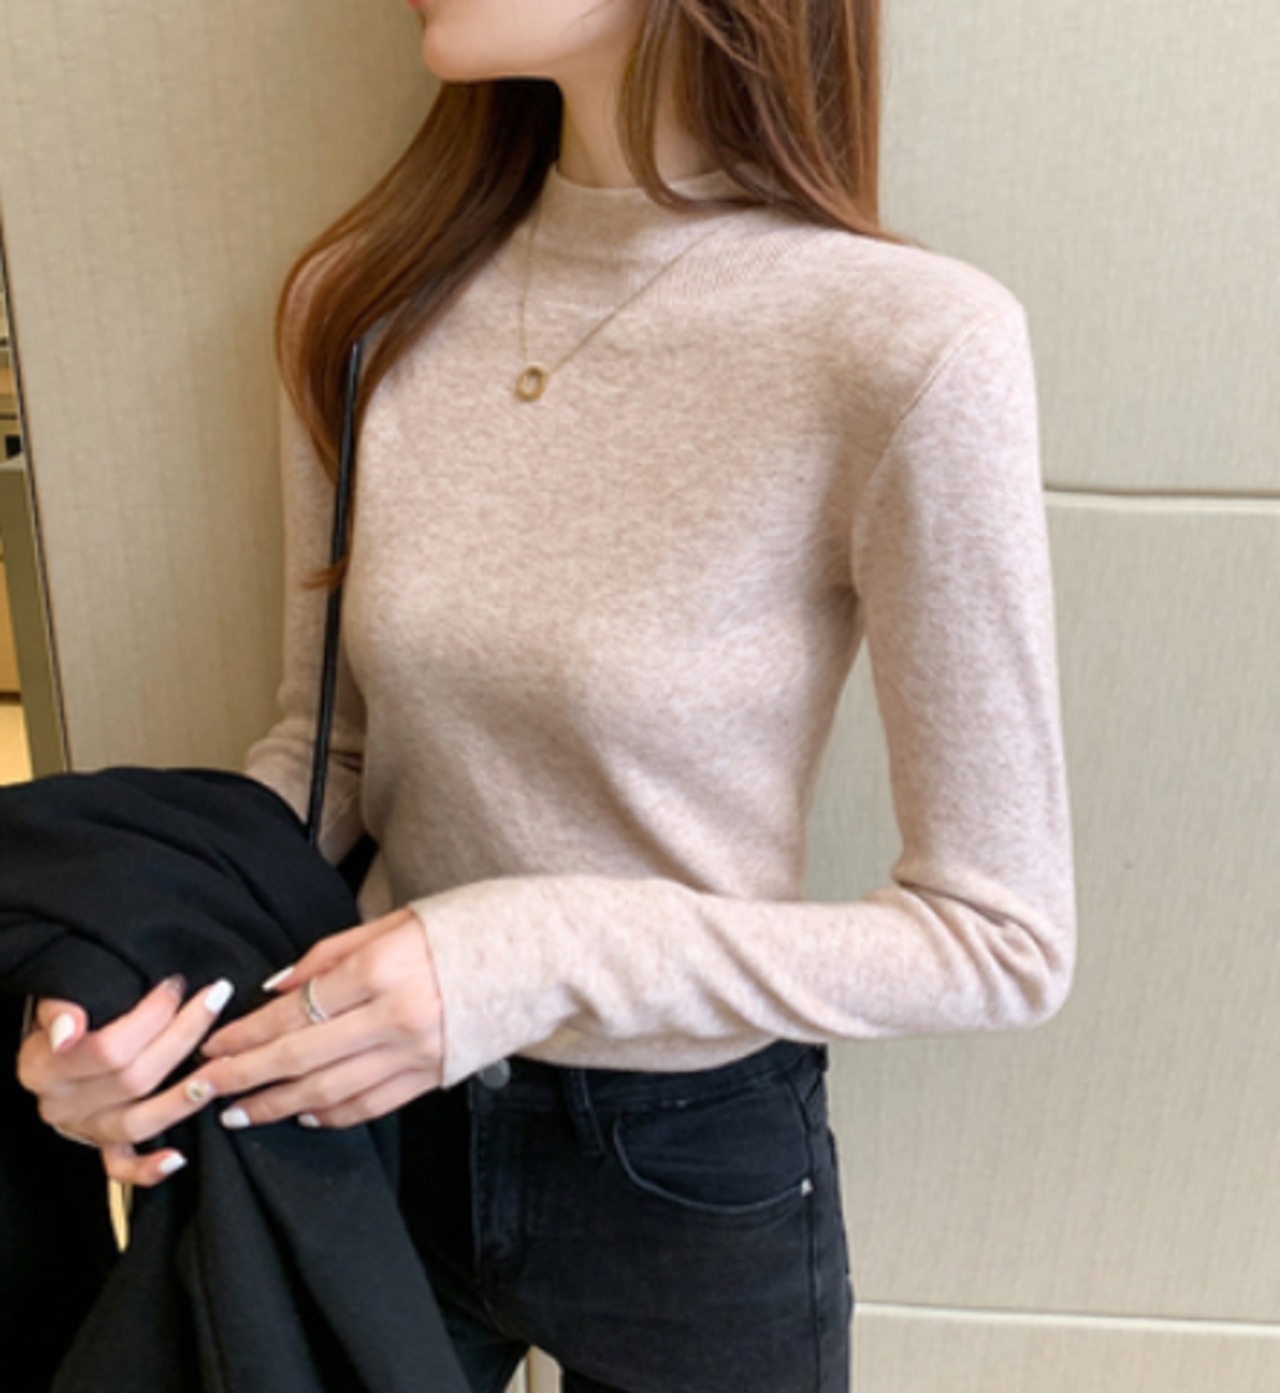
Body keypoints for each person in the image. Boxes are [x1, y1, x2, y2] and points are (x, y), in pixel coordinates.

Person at [16, 1, 1078, 1389]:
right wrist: (125, 999)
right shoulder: (360, 301)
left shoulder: (911, 342)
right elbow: (332, 755)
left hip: (685, 1171)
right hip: (367, 1123)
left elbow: (999, 940)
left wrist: (527, 952)